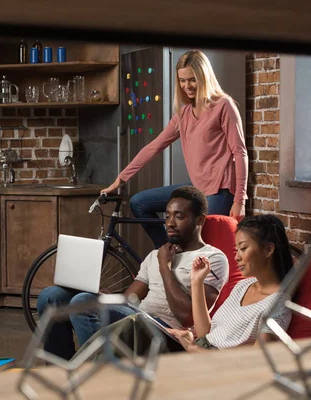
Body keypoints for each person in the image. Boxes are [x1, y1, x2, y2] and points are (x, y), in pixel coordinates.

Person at [37, 186, 229, 360]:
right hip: (136, 319)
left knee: (82, 303)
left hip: (169, 334)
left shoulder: (211, 258)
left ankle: (95, 377)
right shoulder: (156, 254)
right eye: (168, 215)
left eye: (179, 216)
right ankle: (59, 370)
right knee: (50, 297)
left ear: (200, 220)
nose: (169, 223)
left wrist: (165, 267)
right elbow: (129, 300)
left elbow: (187, 317)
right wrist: (108, 298)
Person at [101, 50, 248, 249]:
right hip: (197, 187)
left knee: (205, 251)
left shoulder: (223, 106)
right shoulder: (184, 113)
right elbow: (155, 146)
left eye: (192, 80)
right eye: (182, 80)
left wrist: (240, 200)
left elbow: (240, 153)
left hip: (220, 191)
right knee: (139, 203)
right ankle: (170, 253)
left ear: (204, 77)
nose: (187, 86)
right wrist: (120, 179)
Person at [167, 214, 293, 351]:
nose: (236, 257)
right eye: (237, 249)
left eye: (243, 248)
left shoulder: (278, 304)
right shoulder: (243, 286)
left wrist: (192, 348)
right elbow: (207, 334)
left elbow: (255, 362)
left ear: (268, 249)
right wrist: (197, 281)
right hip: (201, 350)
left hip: (217, 365)